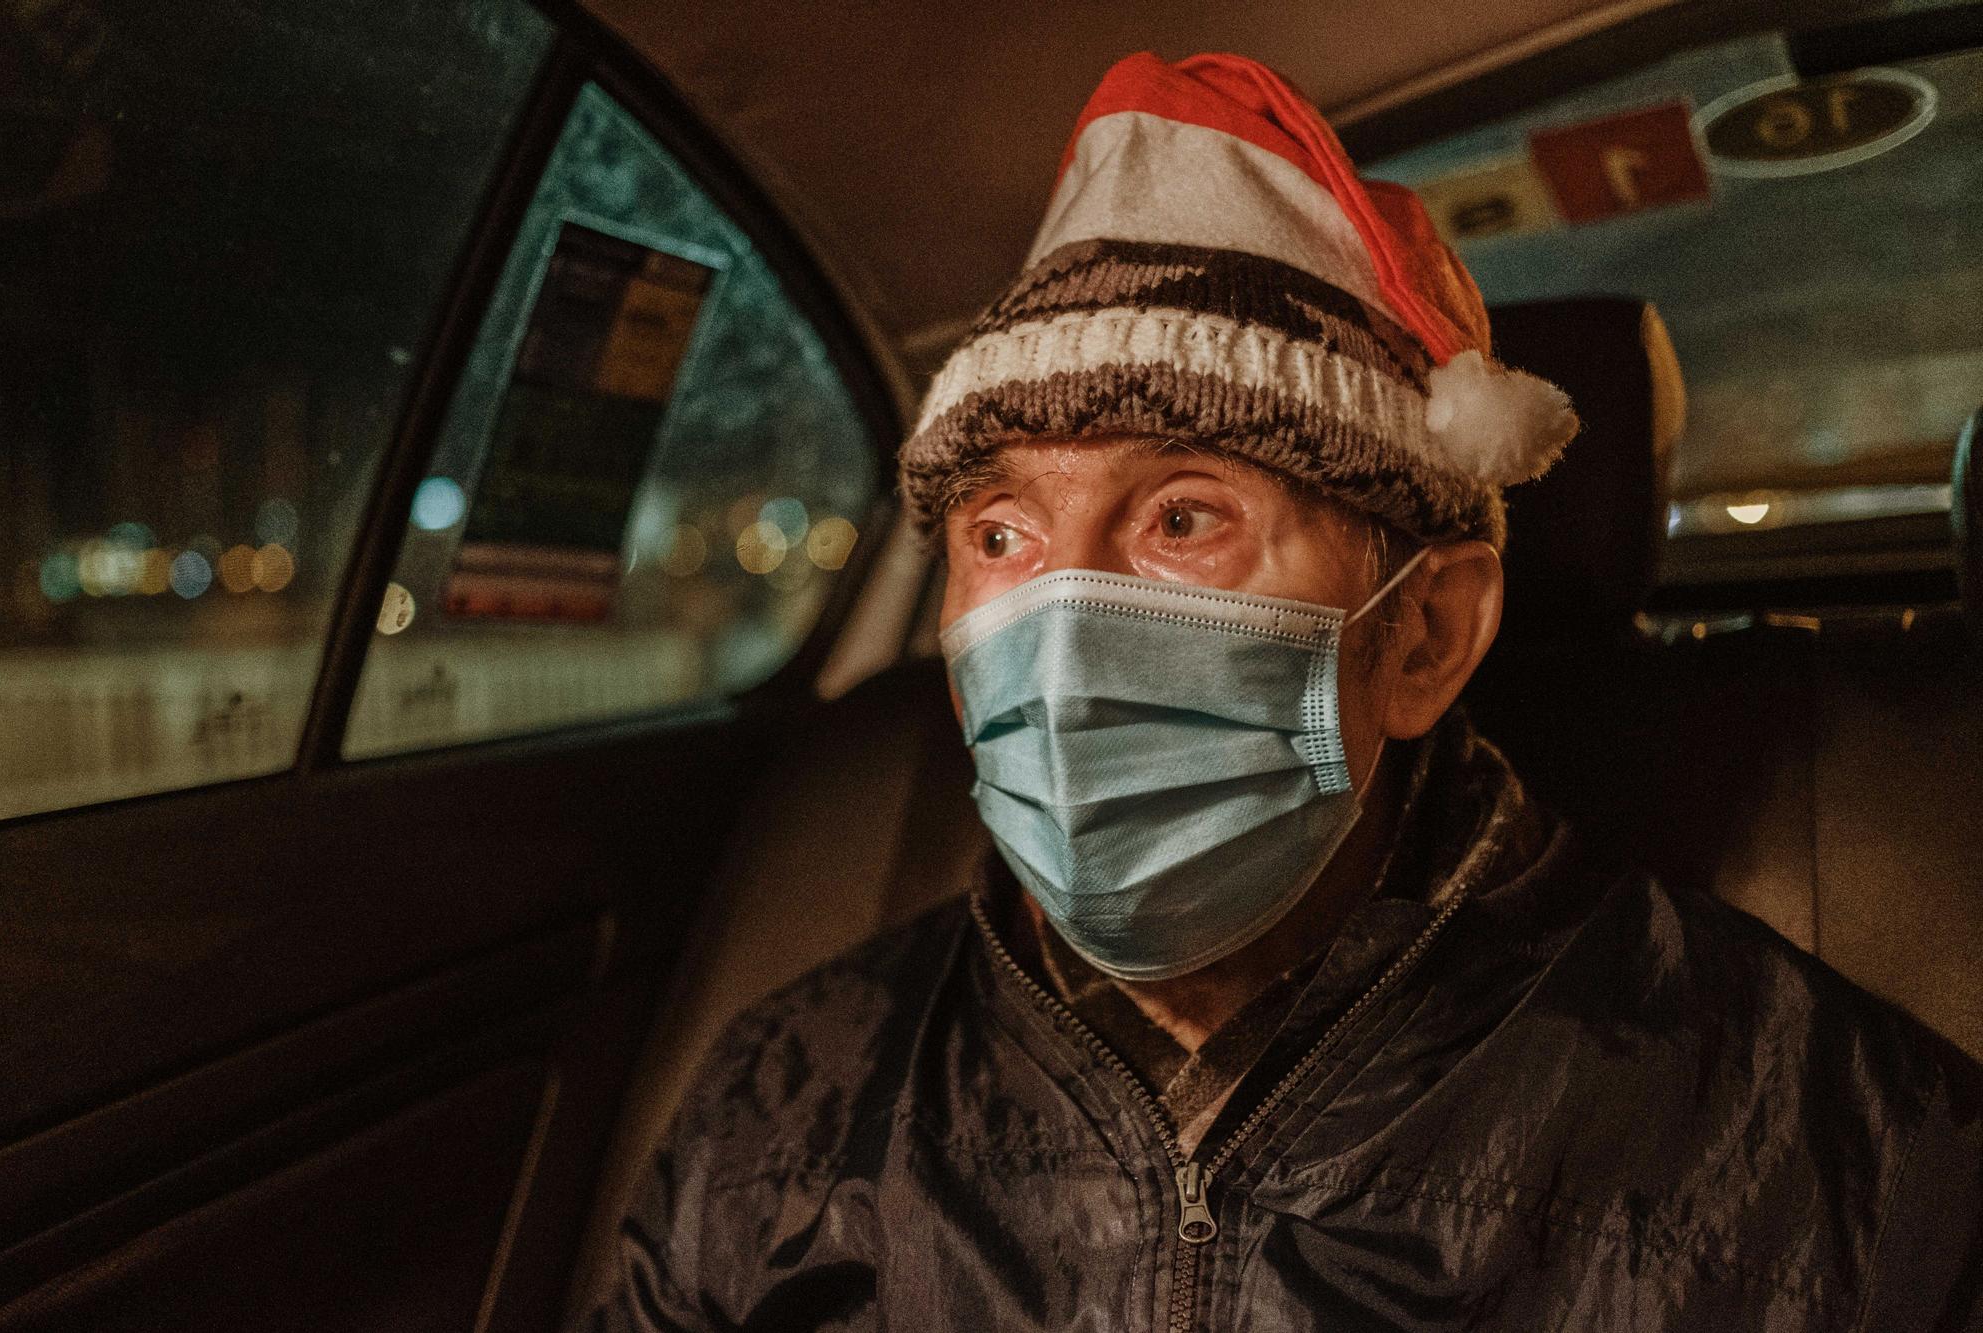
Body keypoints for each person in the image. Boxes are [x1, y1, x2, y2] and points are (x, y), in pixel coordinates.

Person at [588, 52, 1982, 1331]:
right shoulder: (784, 1096)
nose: (1059, 625)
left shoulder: (1823, 1155)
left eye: (1184, 518)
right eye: (1000, 535)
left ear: (1425, 636)